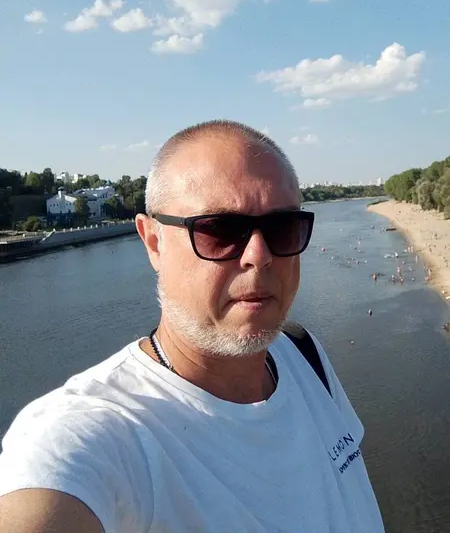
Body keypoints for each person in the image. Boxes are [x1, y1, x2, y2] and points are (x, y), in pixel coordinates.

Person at [0, 120, 385, 532]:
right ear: (153, 242)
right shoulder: (95, 434)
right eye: (219, 230)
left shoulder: (304, 355)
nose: (259, 255)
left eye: (283, 228)